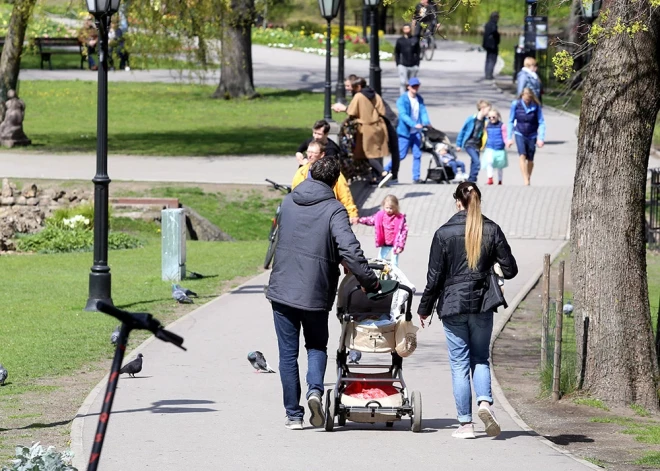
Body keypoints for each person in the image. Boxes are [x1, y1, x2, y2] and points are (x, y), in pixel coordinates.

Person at [266, 156, 380, 430]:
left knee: (286, 354)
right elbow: (349, 249)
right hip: (315, 291)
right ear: (334, 181)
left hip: (282, 288)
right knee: (316, 345)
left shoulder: (289, 201)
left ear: (310, 174)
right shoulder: (334, 209)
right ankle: (315, 391)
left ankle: (293, 415)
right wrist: (370, 281)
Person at [417, 182, 518, 439]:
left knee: (460, 364)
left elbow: (434, 278)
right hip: (483, 303)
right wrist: (492, 265)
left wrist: (424, 309)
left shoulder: (443, 233)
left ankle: (465, 424)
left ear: (457, 202)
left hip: (452, 306)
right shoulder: (492, 229)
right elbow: (511, 270)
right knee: (480, 358)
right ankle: (485, 403)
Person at [332, 76, 392, 187]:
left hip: (366, 128)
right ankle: (376, 177)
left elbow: (351, 111)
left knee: (366, 152)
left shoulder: (359, 96)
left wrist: (341, 108)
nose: (350, 89)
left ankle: (383, 173)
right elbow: (382, 110)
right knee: (375, 152)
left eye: (352, 87)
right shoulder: (374, 94)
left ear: (358, 87)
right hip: (378, 126)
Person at [292, 140, 359, 225]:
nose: (309, 155)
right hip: (305, 215)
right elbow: (294, 193)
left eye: (313, 153)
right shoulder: (301, 172)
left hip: (326, 215)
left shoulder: (333, 173)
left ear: (322, 154)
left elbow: (345, 195)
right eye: (308, 152)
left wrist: (352, 213)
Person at [385, 77, 430, 184]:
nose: (415, 88)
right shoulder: (402, 100)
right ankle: (385, 169)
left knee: (417, 154)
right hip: (405, 132)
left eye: (417, 86)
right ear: (408, 87)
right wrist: (414, 124)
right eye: (413, 86)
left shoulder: (419, 99)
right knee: (401, 155)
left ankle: (416, 177)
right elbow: (403, 115)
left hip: (416, 133)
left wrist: (426, 122)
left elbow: (423, 112)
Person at [506, 88, 545, 186]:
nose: (527, 101)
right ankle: (525, 180)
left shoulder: (536, 106)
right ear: (522, 96)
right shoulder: (516, 104)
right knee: (522, 155)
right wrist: (509, 138)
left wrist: (541, 138)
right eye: (525, 99)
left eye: (528, 99)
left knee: (530, 159)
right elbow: (510, 121)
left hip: (532, 134)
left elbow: (541, 122)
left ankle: (528, 176)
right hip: (520, 132)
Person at [357, 194, 408, 268]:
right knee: (380, 260)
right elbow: (370, 220)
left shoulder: (399, 218)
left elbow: (403, 233)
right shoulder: (380, 216)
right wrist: (360, 220)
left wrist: (400, 246)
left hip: (395, 244)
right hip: (384, 243)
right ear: (383, 206)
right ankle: (380, 275)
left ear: (396, 207)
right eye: (387, 208)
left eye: (391, 208)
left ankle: (394, 277)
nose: (389, 210)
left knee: (394, 263)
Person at [456, 100, 491, 183]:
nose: (489, 112)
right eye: (488, 110)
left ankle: (471, 179)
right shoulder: (471, 119)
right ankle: (472, 179)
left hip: (477, 145)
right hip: (469, 143)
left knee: (473, 162)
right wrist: (458, 144)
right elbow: (463, 131)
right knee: (477, 162)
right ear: (482, 109)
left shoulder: (486, 121)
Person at [482, 108, 508, 185]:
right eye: (489, 117)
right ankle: (490, 178)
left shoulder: (502, 126)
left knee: (500, 166)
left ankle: (500, 180)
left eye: (493, 117)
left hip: (500, 148)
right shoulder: (487, 125)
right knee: (489, 162)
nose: (491, 119)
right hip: (490, 147)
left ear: (498, 116)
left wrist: (507, 143)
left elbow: (505, 136)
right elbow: (484, 135)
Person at [395, 24, 420, 96]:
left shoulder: (414, 40)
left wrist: (417, 64)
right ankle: (403, 97)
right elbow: (397, 52)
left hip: (413, 65)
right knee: (403, 82)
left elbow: (418, 52)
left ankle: (411, 97)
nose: (406, 30)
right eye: (405, 28)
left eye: (408, 28)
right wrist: (398, 64)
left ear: (410, 29)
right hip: (403, 65)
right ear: (403, 30)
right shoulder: (400, 40)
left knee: (412, 83)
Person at [482, 12, 500, 80]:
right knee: (492, 60)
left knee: (488, 59)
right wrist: (498, 37)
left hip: (487, 45)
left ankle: (487, 74)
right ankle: (489, 75)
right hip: (493, 45)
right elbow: (494, 33)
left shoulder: (487, 24)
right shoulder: (493, 25)